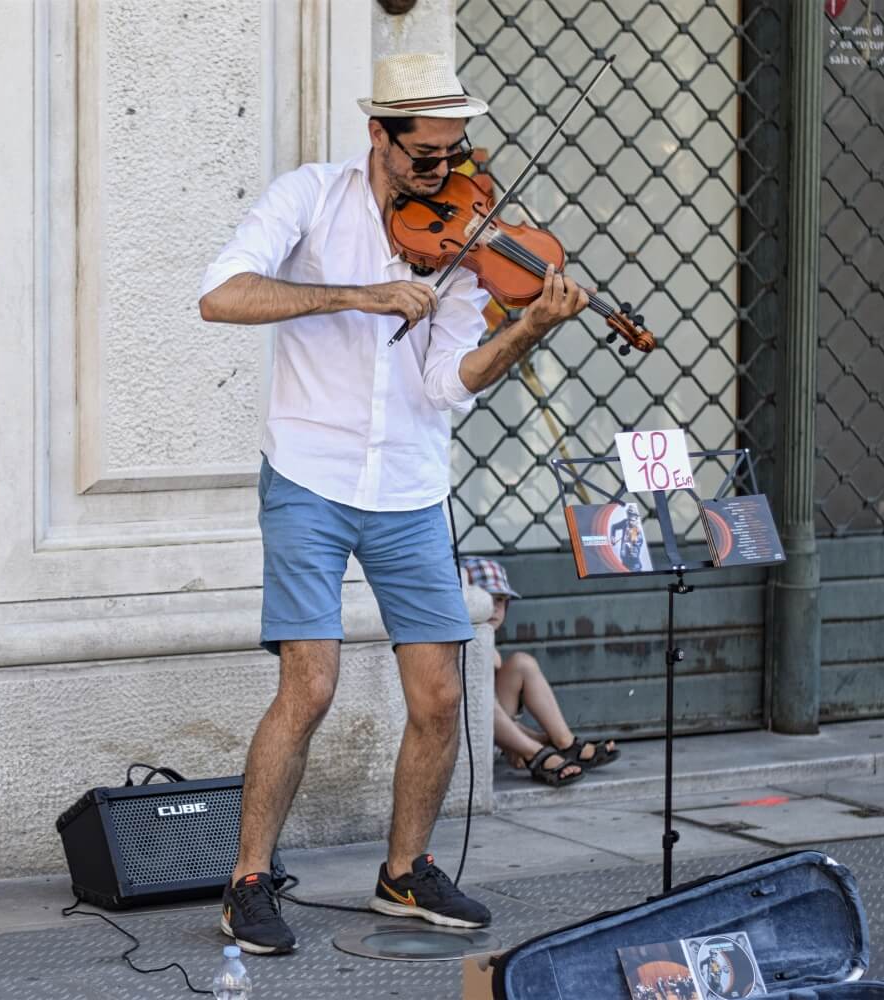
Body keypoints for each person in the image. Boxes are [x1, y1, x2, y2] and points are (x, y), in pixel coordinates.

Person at [197, 51, 590, 954]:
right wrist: (358, 294)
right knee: (311, 685)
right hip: (307, 471)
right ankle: (248, 881)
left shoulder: (463, 239)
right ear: (379, 133)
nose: (443, 173)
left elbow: (452, 383)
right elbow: (219, 295)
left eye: (454, 153)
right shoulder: (309, 197)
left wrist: (525, 328)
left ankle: (403, 874)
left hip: (409, 486)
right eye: (424, 155)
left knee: (442, 695)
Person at [461, 556, 620, 787]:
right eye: (487, 598)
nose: (495, 608)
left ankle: (565, 743)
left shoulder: (490, 646)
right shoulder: (462, 645)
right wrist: (531, 741)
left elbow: (499, 714)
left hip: (503, 738)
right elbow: (478, 710)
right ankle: (534, 752)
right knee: (478, 691)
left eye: (501, 600)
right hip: (475, 740)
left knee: (521, 662)